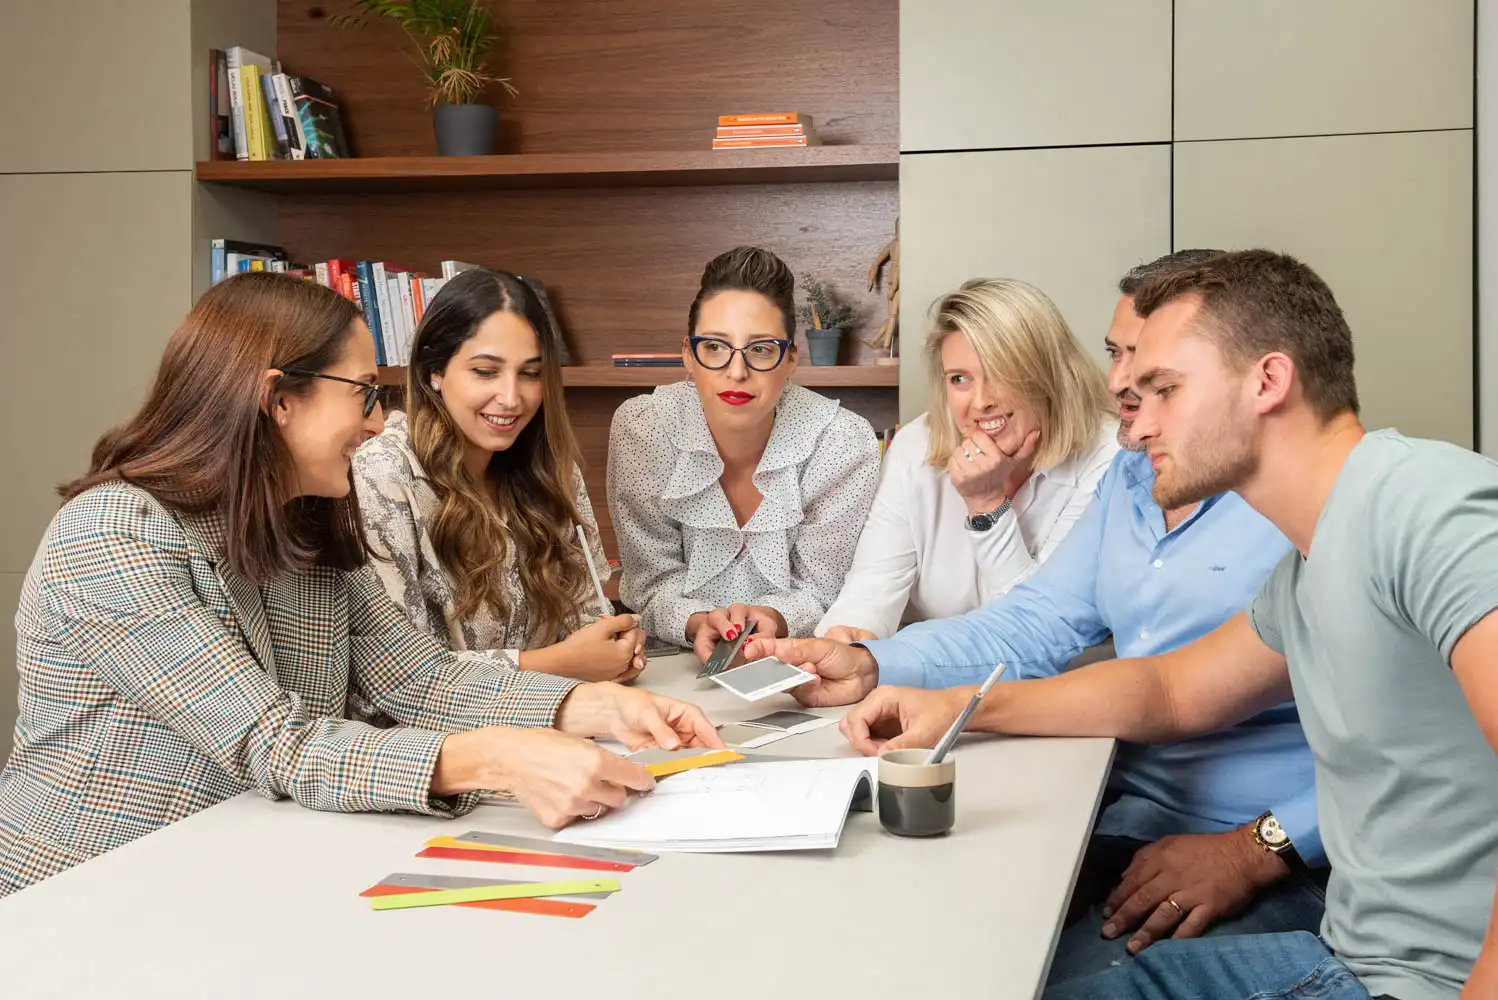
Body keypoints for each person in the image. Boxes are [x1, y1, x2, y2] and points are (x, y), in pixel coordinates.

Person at [829, 250, 1498, 1000]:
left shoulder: (1425, 505)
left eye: (1163, 388)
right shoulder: (1310, 569)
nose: (1131, 410)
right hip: (1354, 952)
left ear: (1267, 382)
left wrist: (1258, 849)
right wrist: (954, 704)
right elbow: (1172, 691)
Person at [0, 273, 723, 897]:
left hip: (248, 869)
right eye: (363, 395)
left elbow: (424, 683)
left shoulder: (306, 528)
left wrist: (591, 707)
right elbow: (275, 743)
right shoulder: (112, 536)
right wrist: (500, 754)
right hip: (91, 894)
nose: (379, 426)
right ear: (277, 398)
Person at [749, 249, 1329, 980]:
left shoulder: (1330, 514)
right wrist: (870, 664)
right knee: (910, 939)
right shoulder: (1132, 476)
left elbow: (1422, 763)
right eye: (1120, 357)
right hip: (1121, 807)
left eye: (1155, 374)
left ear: (1256, 378)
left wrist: (1259, 847)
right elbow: (1045, 627)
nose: (1118, 382)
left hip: (1263, 848)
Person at [354, 268, 645, 684]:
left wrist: (614, 650)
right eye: (486, 371)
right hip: (438, 743)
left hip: (557, 722)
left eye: (530, 373)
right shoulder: (382, 474)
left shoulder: (554, 471)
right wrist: (564, 663)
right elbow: (395, 676)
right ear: (433, 370)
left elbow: (587, 614)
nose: (511, 398)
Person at [608, 246, 880, 662]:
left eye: (761, 349)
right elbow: (650, 581)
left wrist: (774, 616)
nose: (737, 371)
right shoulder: (643, 427)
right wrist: (697, 621)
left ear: (791, 358)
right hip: (662, 661)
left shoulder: (842, 440)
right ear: (687, 353)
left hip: (800, 659)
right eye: (715, 347)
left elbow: (826, 589)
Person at [816, 277, 1118, 641]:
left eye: (1001, 373)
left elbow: (1038, 631)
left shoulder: (1109, 457)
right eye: (959, 379)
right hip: (930, 679)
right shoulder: (916, 445)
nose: (980, 401)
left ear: (1047, 373)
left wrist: (987, 505)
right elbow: (872, 587)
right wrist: (842, 643)